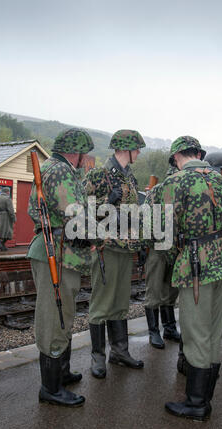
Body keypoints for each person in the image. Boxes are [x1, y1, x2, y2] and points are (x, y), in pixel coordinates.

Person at [148, 136, 222, 421]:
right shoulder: (220, 178)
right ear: (199, 153)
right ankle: (205, 397)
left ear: (176, 158)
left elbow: (159, 229)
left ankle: (197, 403)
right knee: (212, 332)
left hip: (197, 263)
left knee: (195, 333)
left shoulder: (175, 183)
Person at [27, 128, 95, 407]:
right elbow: (75, 215)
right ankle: (51, 388)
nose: (85, 159)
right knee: (54, 315)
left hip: (60, 250)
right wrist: (96, 235)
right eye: (84, 154)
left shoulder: (55, 168)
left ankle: (62, 373)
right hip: (56, 252)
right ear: (75, 152)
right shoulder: (61, 171)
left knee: (63, 312)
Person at [83, 129, 146, 379]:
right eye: (137, 148)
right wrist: (107, 200)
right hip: (106, 247)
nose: (139, 152)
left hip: (125, 248)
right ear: (124, 149)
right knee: (101, 303)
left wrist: (140, 244)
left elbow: (135, 215)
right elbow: (81, 210)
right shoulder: (98, 175)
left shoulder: (130, 178)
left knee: (121, 303)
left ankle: (119, 352)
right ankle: (97, 357)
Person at [144, 166, 180, 349]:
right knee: (154, 291)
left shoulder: (183, 189)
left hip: (176, 248)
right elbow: (146, 214)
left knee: (171, 290)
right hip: (158, 247)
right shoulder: (158, 190)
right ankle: (153, 332)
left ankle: (170, 328)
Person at [0, 187, 16, 251]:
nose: (9, 192)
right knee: (8, 231)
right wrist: (13, 217)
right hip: (6, 216)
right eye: (8, 191)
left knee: (1, 230)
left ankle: (2, 245)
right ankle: (0, 242)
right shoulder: (8, 199)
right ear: (7, 192)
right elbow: (11, 210)